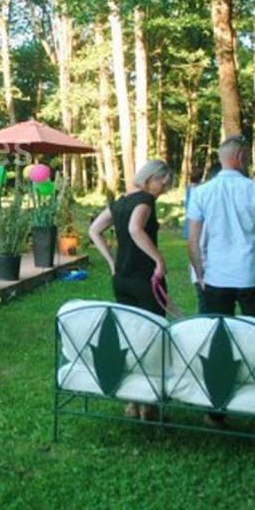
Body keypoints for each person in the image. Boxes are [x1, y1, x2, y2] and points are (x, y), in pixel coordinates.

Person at [89, 158, 175, 421]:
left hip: (122, 280)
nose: (165, 188)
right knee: (152, 339)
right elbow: (135, 229)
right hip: (145, 279)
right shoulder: (145, 201)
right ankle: (147, 403)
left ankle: (130, 401)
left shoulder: (119, 202)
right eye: (164, 182)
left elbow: (94, 230)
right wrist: (158, 259)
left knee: (130, 337)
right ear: (151, 178)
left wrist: (112, 262)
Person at [187, 135, 255, 320]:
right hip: (251, 273)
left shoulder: (200, 193)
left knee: (219, 337)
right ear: (240, 156)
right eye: (247, 156)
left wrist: (199, 274)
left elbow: (193, 240)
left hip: (216, 275)